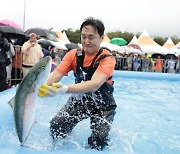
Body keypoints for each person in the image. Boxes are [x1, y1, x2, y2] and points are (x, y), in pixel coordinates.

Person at [38, 17, 117, 150]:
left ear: (101, 38)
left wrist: (64, 89)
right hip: (80, 101)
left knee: (99, 139)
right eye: (83, 36)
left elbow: (94, 84)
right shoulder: (73, 55)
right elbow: (57, 74)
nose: (86, 41)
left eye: (91, 37)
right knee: (57, 125)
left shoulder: (107, 59)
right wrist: (38, 88)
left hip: (103, 105)